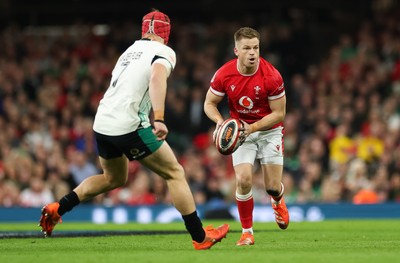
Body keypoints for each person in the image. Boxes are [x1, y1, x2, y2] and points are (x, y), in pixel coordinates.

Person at [39, 9, 229, 250]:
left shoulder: (129, 51)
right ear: (166, 31)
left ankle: (58, 208)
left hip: (103, 123)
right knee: (174, 172)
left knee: (113, 178)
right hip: (129, 125)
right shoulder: (164, 51)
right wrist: (158, 118)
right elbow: (157, 77)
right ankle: (200, 237)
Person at [203, 27, 289, 246]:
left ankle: (277, 199)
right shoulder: (224, 73)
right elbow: (209, 104)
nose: (252, 53)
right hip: (241, 131)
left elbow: (279, 113)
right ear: (236, 50)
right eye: (247, 48)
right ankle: (247, 232)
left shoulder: (272, 76)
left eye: (256, 48)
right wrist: (221, 122)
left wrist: (253, 128)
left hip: (269, 130)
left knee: (271, 185)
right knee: (243, 180)